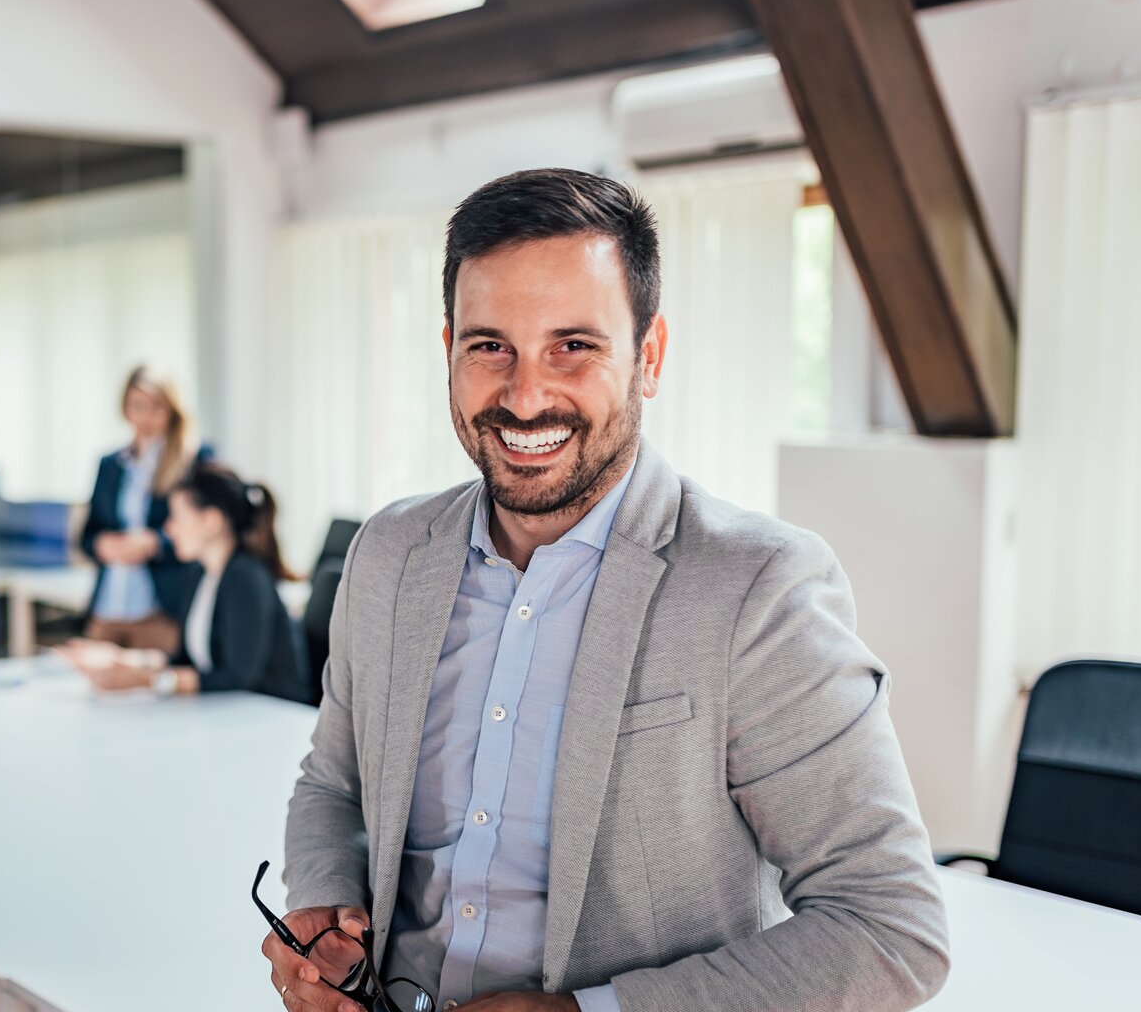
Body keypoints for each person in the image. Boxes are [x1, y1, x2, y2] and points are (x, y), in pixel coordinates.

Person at [266, 169, 948, 1012]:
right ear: (448, 349)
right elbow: (334, 786)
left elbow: (890, 927)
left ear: (648, 357)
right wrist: (325, 906)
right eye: (490, 347)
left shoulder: (758, 589)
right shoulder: (390, 554)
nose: (524, 395)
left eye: (573, 346)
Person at [63, 463, 307, 703]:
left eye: (177, 517)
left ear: (211, 521)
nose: (169, 529)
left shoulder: (246, 578)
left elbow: (238, 677)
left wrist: (146, 680)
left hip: (269, 715)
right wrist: (124, 659)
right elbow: (186, 658)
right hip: (230, 713)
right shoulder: (200, 575)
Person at [78, 366, 210, 651]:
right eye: (137, 406)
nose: (145, 417)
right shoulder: (111, 465)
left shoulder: (192, 460)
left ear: (172, 411)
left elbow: (208, 529)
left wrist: (155, 543)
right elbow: (87, 536)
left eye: (155, 408)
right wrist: (102, 545)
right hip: (108, 609)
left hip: (160, 611)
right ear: (125, 407)